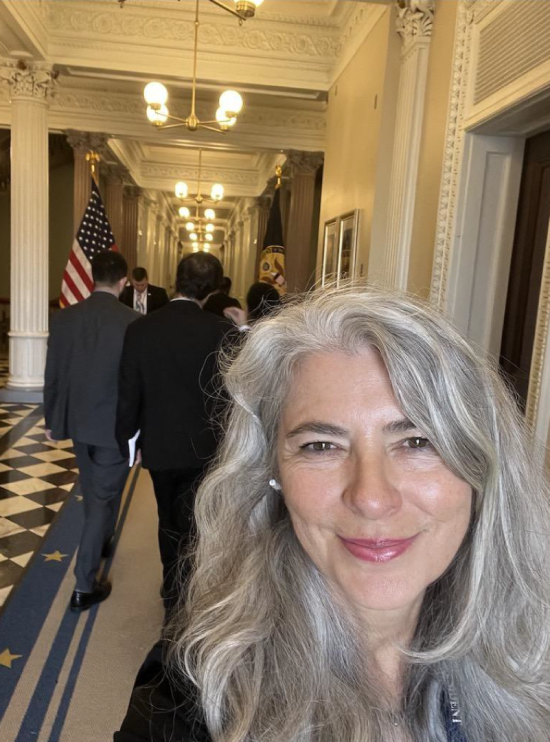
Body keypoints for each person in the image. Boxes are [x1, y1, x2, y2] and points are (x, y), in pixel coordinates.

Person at [115, 288, 550, 741]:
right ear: (272, 472)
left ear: (480, 466)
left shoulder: (530, 647)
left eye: (418, 442)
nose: (372, 497)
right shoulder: (193, 702)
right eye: (321, 446)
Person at [116, 252, 233, 613]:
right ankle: (189, 586)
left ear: (174, 279)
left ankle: (173, 588)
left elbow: (128, 391)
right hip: (206, 448)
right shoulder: (223, 332)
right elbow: (230, 399)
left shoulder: (141, 329)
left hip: (160, 446)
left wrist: (127, 439)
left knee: (167, 519)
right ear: (211, 287)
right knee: (197, 520)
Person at [44, 251, 138, 612]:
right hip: (114, 427)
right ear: (123, 281)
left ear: (91, 276)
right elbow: (135, 383)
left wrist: (52, 419)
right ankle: (84, 585)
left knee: (96, 492)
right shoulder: (132, 321)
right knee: (100, 499)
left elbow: (53, 373)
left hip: (79, 424)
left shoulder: (65, 318)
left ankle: (100, 539)